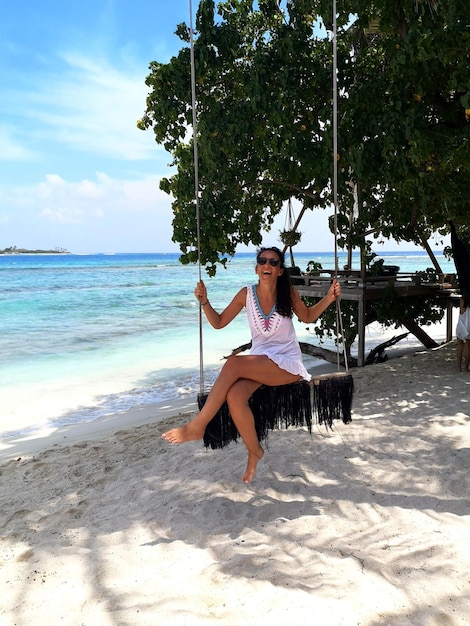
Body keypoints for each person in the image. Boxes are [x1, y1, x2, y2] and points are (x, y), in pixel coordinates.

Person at [162, 246, 341, 483]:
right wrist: (205, 302)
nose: (268, 265)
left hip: (287, 364)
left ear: (279, 271)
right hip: (260, 362)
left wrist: (329, 298)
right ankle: (254, 450)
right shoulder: (246, 294)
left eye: (274, 262)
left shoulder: (288, 293)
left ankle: (198, 426)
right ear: (257, 268)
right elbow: (218, 323)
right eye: (263, 261)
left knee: (233, 364)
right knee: (235, 395)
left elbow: (307, 316)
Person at [456, 298, 470, 372]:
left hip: (461, 326)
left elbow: (461, 306)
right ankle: (466, 367)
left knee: (460, 346)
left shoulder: (463, 306)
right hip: (469, 326)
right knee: (468, 347)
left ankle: (459, 367)